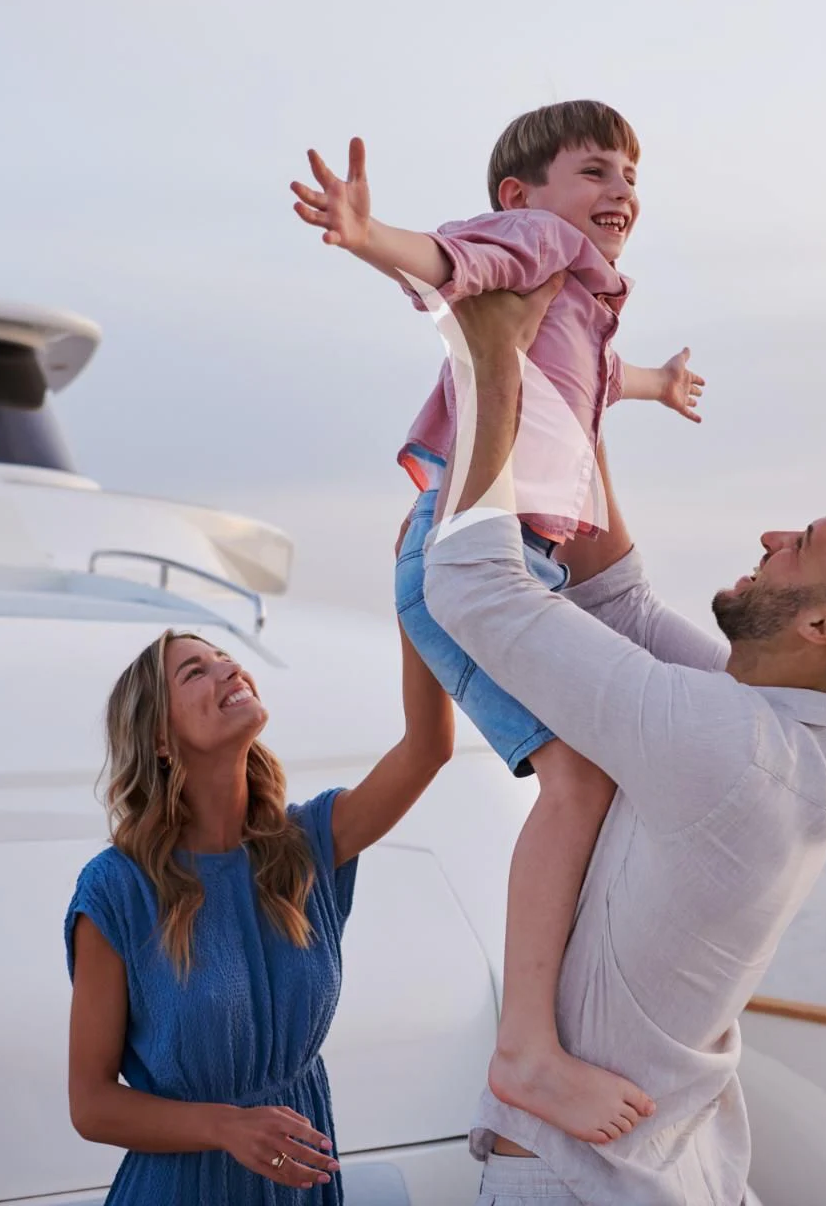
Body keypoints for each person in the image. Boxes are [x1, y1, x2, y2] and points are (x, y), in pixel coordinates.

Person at [423, 277, 826, 1206]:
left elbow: (473, 588)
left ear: (825, 627)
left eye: (798, 543)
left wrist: (491, 366)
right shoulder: (806, 742)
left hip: (578, 1184)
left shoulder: (728, 749)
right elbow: (617, 604)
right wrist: (574, 373)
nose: (768, 535)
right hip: (674, 1168)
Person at [288, 101, 704, 1145]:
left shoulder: (583, 307)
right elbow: (445, 262)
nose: (620, 193)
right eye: (594, 171)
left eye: (631, 179)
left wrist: (666, 383)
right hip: (477, 554)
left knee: (569, 771)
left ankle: (546, 1007)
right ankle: (527, 1046)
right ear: (522, 196)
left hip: (483, 557)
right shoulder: (536, 245)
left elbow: (612, 380)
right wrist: (365, 234)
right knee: (583, 776)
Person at [63, 626, 454, 1202]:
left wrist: (415, 587)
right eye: (194, 671)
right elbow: (91, 1105)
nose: (228, 669)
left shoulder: (307, 845)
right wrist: (224, 1127)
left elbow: (429, 746)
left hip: (300, 1185)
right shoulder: (117, 889)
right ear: (160, 740)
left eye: (225, 658)